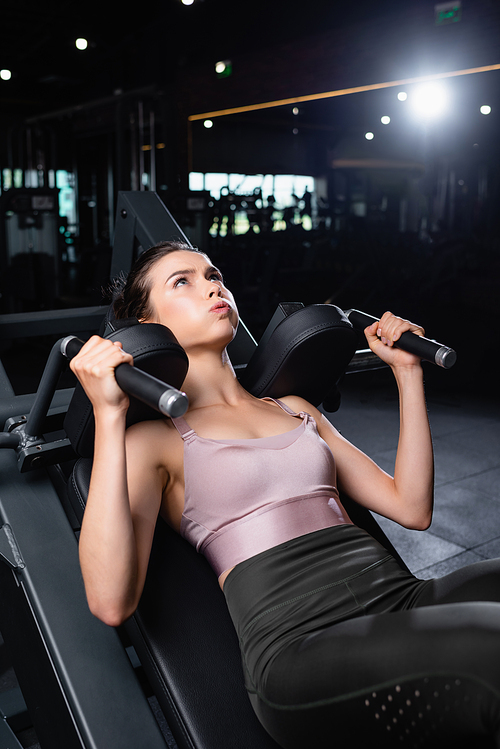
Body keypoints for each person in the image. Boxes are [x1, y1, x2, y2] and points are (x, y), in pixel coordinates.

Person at [70, 240, 500, 749]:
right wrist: (108, 412)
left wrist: (407, 373)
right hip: (301, 648)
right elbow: (110, 602)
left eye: (214, 274)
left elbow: (411, 506)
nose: (213, 284)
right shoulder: (155, 441)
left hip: (399, 599)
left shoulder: (294, 408)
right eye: (182, 281)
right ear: (146, 323)